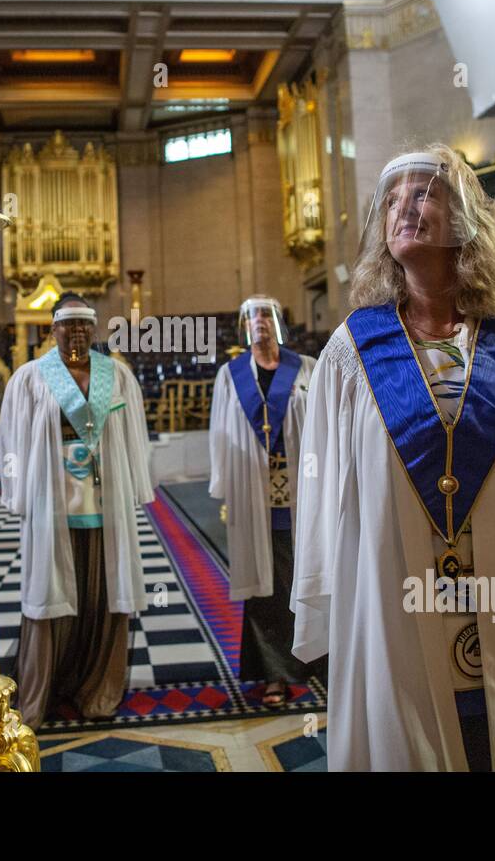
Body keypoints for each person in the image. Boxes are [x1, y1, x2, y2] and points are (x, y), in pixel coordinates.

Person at [290, 145, 495, 771]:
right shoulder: (351, 354)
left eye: (424, 192)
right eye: (393, 198)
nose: (405, 206)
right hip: (393, 596)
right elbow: (323, 493)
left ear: (466, 219)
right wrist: (324, 588)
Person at [0, 293, 155, 729]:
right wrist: (17, 494)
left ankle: (98, 686)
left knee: (105, 592)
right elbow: (11, 442)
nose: (77, 332)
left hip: (108, 501)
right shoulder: (31, 378)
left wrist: (138, 485)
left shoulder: (117, 375)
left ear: (95, 329)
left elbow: (134, 436)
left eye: (85, 324)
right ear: (52, 330)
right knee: (52, 593)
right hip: (52, 501)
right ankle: (43, 690)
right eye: (68, 325)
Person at [209, 296, 317, 707]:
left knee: (304, 577)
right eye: (252, 316)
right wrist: (223, 489)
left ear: (278, 322)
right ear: (243, 326)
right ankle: (275, 672)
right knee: (264, 586)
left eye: (267, 315)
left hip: (303, 492)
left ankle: (314, 659)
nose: (260, 322)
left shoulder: (305, 369)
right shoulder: (229, 376)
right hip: (254, 495)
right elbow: (220, 433)